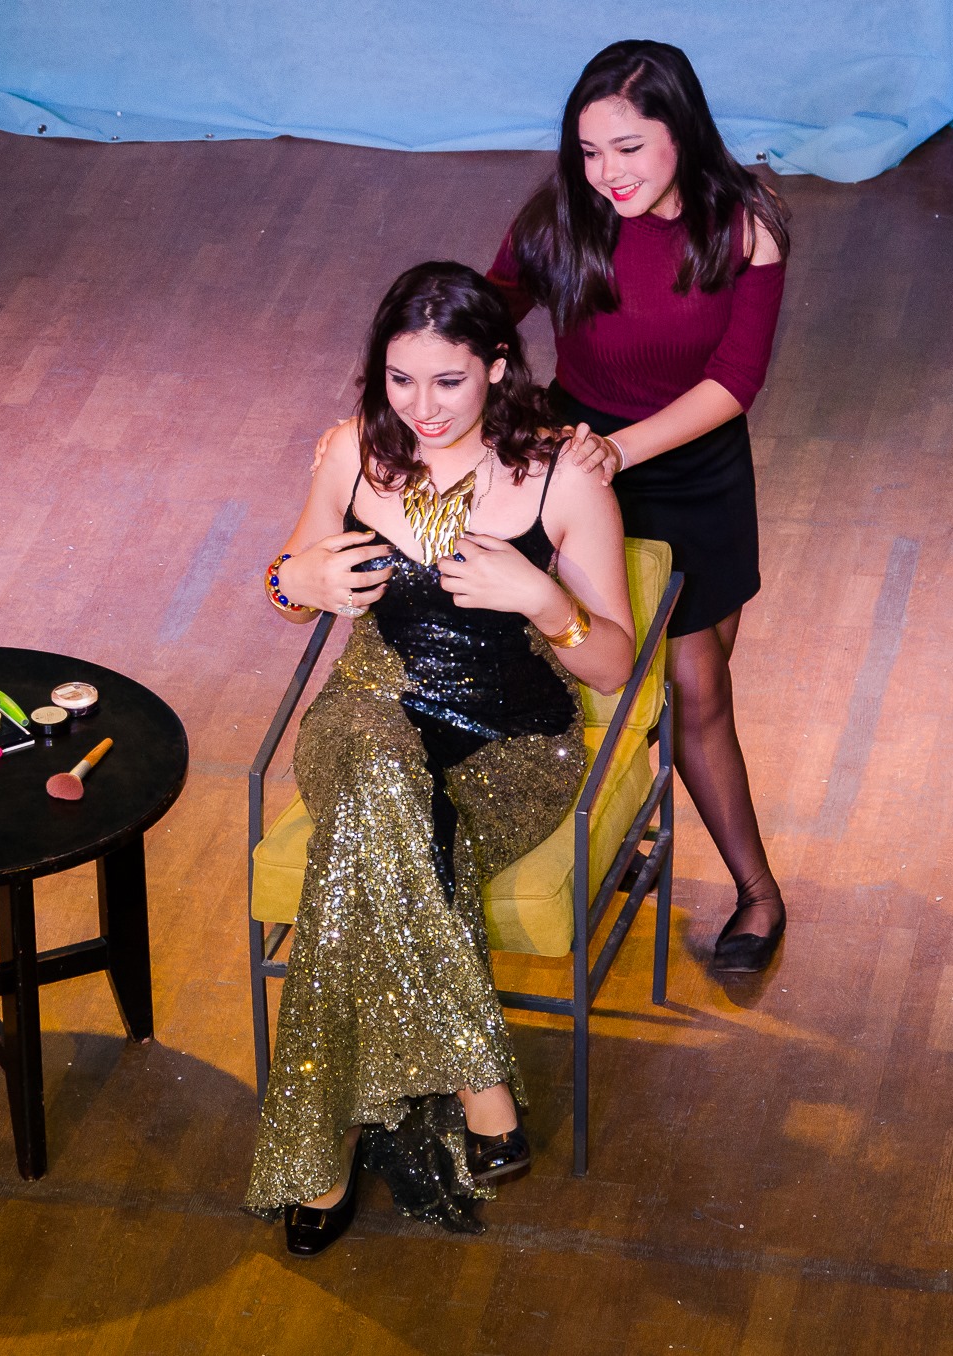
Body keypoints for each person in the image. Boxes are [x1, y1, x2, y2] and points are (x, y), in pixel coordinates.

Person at [246, 261, 634, 1255]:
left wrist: (545, 601)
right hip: (370, 707)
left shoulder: (562, 475)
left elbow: (610, 665)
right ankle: (477, 1078)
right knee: (379, 777)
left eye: (448, 381)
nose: (421, 407)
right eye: (400, 379)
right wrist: (295, 580)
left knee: (354, 861)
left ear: (497, 367)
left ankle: (322, 1156)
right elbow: (288, 583)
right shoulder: (351, 453)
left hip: (513, 744)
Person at [487, 39, 791, 974]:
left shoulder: (745, 226)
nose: (606, 173)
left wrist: (624, 448)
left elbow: (735, 380)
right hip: (584, 473)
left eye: (627, 148)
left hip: (694, 471)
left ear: (680, 133)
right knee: (614, 675)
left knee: (696, 689)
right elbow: (481, 317)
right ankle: (722, 877)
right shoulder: (558, 220)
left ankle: (754, 894)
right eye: (589, 151)